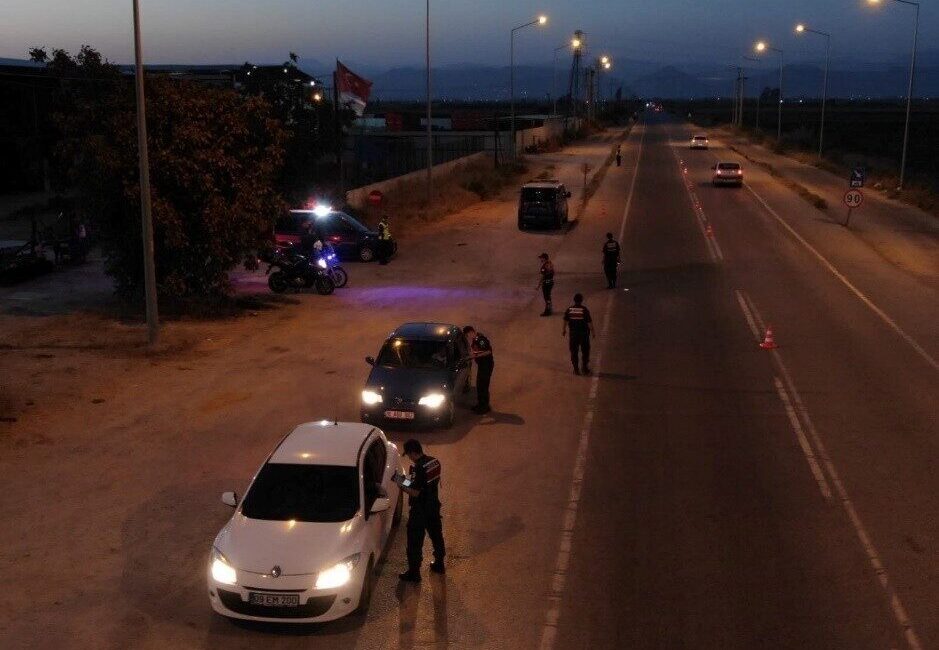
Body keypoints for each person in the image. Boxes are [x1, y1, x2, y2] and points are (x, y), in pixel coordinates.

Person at [398, 439, 445, 582]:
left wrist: (400, 484)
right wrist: (404, 480)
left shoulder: (418, 468)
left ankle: (414, 573)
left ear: (412, 452)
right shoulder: (434, 462)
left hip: (420, 511)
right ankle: (439, 564)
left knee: (414, 542)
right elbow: (419, 483)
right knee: (437, 536)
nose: (409, 458)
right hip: (433, 507)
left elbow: (415, 491)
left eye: (408, 454)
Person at [463, 325, 493, 413]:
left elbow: (488, 351)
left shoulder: (481, 340)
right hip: (482, 365)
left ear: (471, 332)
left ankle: (484, 407)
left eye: (468, 335)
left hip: (486, 366)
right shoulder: (475, 340)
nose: (468, 337)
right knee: (480, 386)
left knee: (483, 386)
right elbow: (476, 350)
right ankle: (481, 405)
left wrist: (474, 356)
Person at [562, 293, 595, 375]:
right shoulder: (584, 310)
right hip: (584, 335)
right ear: (581, 300)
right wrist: (593, 332)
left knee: (574, 352)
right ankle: (584, 368)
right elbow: (589, 322)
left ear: (574, 300)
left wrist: (564, 330)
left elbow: (565, 321)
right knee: (585, 351)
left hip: (573, 335)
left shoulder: (569, 310)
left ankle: (576, 370)